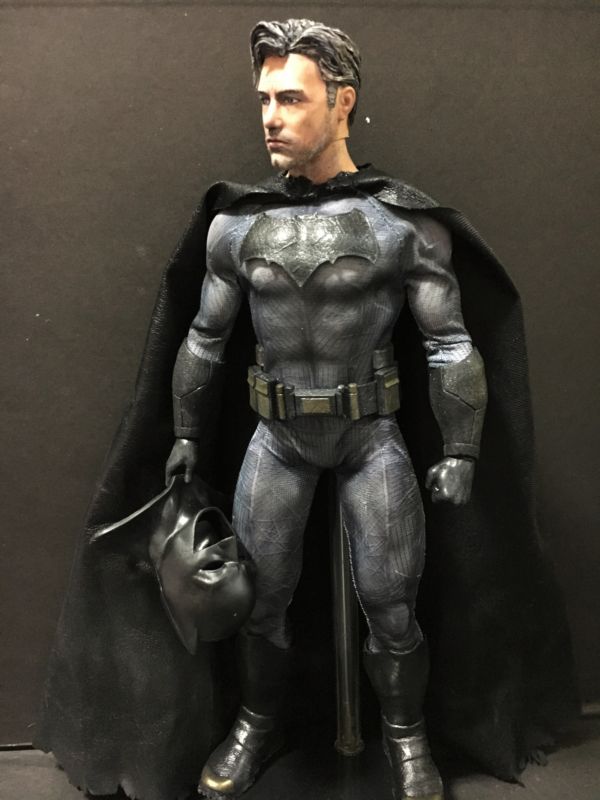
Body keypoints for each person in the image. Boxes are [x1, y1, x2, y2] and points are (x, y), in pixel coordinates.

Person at [165, 19, 486, 800]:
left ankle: (405, 737)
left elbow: (449, 344)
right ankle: (256, 723)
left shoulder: (400, 224)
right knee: (257, 599)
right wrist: (186, 432)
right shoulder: (237, 225)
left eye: (291, 99)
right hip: (277, 437)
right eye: (263, 99)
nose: (271, 117)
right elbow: (204, 337)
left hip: (370, 435)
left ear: (341, 103)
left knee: (391, 602)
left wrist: (461, 447)